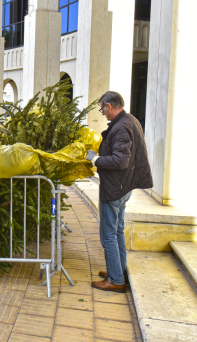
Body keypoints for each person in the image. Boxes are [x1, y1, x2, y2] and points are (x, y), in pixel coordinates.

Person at [85, 91, 153, 293]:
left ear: (109, 106)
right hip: (123, 186)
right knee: (117, 231)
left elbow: (121, 160)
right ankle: (118, 271)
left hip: (115, 188)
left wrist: (95, 160)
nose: (102, 113)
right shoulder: (129, 120)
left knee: (108, 235)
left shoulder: (122, 126)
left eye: (102, 109)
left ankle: (115, 280)